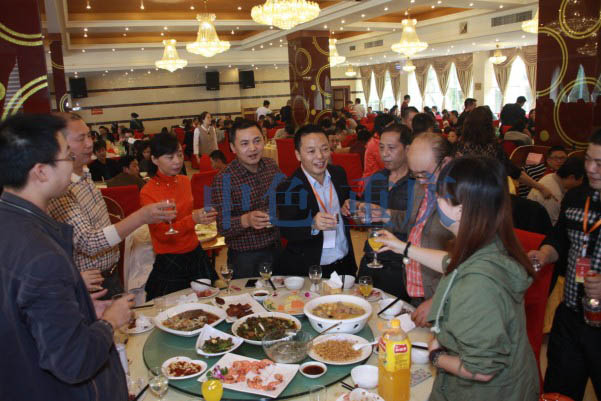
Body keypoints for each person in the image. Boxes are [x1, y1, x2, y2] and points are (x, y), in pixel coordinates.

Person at [376, 156, 539, 401]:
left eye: (441, 195)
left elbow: (482, 369)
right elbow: (450, 263)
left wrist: (436, 356)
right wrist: (402, 247)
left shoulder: (478, 284)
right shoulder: (488, 242)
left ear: (461, 210)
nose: (434, 199)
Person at [0, 114, 133, 401]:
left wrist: (79, 310)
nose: (72, 163)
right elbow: (74, 361)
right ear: (40, 172)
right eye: (66, 157)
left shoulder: (10, 222)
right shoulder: (41, 255)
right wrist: (109, 322)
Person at [48, 112, 174, 298]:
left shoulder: (84, 174)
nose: (89, 143)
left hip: (110, 274)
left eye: (89, 136)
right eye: (81, 138)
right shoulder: (60, 189)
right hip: (91, 284)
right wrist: (141, 217)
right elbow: (88, 242)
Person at [529, 128, 601, 401]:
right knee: (558, 391)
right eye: (588, 160)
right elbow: (560, 237)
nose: (590, 169)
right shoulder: (576, 198)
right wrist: (545, 253)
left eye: (599, 163)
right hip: (571, 316)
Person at [140, 133, 217, 300]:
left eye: (180, 155)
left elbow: (186, 213)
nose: (177, 161)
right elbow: (161, 233)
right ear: (154, 159)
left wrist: (202, 214)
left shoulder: (184, 180)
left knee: (207, 302)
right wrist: (193, 219)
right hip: (170, 258)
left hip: (194, 251)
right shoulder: (148, 192)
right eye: (170, 157)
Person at [276, 125, 357, 277]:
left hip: (345, 262)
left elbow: (349, 200)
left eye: (324, 149)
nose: (320, 156)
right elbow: (287, 230)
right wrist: (312, 224)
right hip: (312, 269)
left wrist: (350, 205)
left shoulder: (338, 174)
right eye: (311, 151)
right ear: (298, 155)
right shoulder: (288, 188)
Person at [347, 124, 412, 298]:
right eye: (381, 147)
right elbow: (364, 220)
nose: (385, 154)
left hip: (401, 265)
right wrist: (356, 210)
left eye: (391, 148)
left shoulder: (418, 182)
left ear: (407, 149)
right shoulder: (377, 178)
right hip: (371, 259)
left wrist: (385, 214)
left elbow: (420, 224)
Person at [211, 120, 282, 278]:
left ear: (264, 140)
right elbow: (222, 226)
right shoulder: (224, 179)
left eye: (257, 141)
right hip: (245, 258)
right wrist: (247, 220)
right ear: (232, 147)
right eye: (244, 143)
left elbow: (284, 199)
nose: (252, 148)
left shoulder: (271, 166)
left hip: (276, 249)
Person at [457, 106, 555, 199]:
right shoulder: (493, 148)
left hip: (463, 195)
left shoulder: (460, 146)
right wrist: (541, 187)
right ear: (489, 126)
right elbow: (516, 173)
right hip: (489, 197)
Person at [527, 156, 585, 225]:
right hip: (535, 228)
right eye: (580, 180)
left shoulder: (550, 176)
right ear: (571, 177)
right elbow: (552, 225)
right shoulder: (555, 195)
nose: (581, 183)